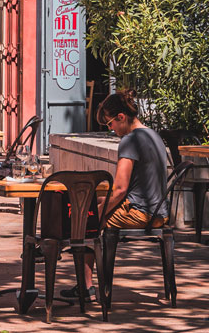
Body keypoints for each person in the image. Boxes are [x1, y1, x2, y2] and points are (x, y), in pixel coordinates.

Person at [67, 89, 172, 297]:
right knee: (93, 205)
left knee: (84, 219)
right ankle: (85, 285)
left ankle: (85, 287)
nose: (111, 129)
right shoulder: (153, 135)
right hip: (159, 211)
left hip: (141, 213)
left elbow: (121, 188)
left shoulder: (130, 140)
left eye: (110, 124)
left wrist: (98, 211)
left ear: (121, 117)